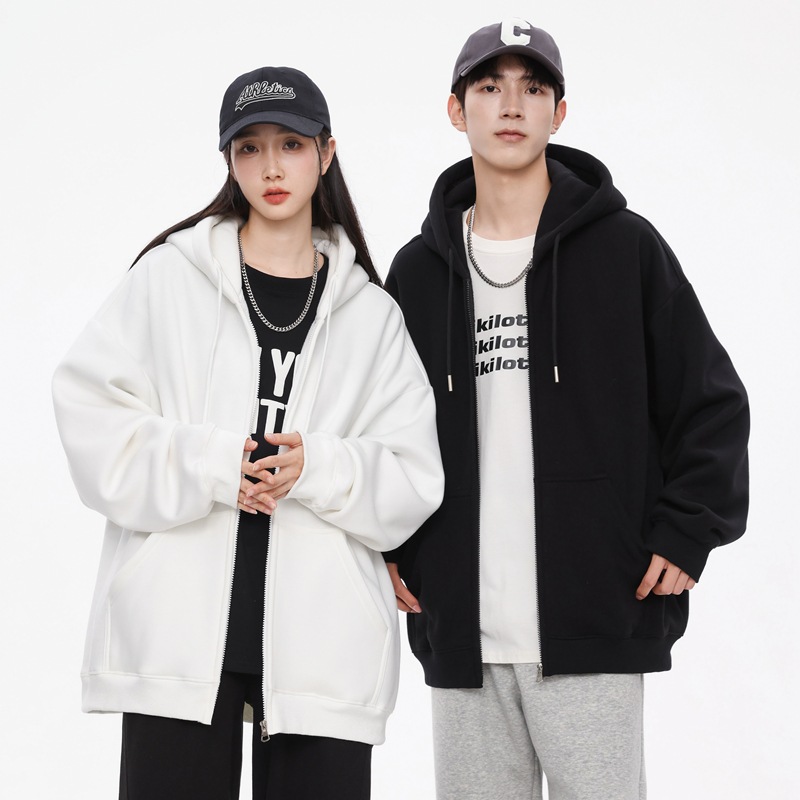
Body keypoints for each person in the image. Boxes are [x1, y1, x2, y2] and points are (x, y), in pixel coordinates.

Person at [52, 65, 443, 800]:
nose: (271, 167)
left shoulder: (371, 315)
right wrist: (211, 464)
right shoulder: (169, 278)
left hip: (322, 649)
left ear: (326, 153)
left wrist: (317, 468)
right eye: (250, 148)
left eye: (290, 145)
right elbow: (90, 414)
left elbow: (415, 475)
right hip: (177, 639)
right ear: (229, 161)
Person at [384, 19, 749, 800]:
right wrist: (387, 542)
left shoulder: (626, 250)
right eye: (490, 87)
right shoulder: (417, 273)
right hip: (462, 631)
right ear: (456, 111)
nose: (512, 105)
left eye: (533, 87)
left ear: (559, 112)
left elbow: (710, 402)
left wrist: (687, 529)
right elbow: (381, 427)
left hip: (597, 616)